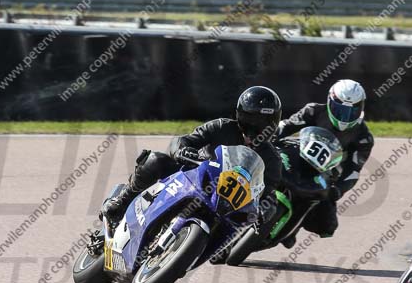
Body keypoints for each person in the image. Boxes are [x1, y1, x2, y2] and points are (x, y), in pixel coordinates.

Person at [101, 86, 284, 230]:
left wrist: (265, 210)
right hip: (194, 177)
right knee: (156, 160)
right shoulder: (221, 127)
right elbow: (185, 140)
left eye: (264, 123)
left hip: (227, 205)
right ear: (241, 116)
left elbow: (269, 194)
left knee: (225, 249)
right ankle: (122, 201)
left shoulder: (272, 159)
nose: (257, 128)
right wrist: (183, 150)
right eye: (252, 121)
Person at [274, 79, 373, 243]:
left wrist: (338, 190)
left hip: (324, 175)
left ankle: (293, 226)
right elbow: (286, 126)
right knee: (268, 161)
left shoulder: (363, 138)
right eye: (340, 110)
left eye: (351, 111)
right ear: (330, 102)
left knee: (327, 225)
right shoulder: (313, 111)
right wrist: (269, 135)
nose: (345, 117)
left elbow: (353, 171)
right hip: (296, 157)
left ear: (361, 108)